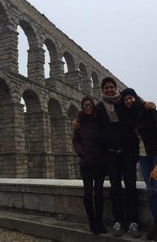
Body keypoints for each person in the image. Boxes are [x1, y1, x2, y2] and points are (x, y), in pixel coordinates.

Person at [121, 87, 157, 241]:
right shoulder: (129, 116)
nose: (128, 101)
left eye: (130, 97)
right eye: (125, 99)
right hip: (143, 157)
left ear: (135, 97)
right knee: (150, 190)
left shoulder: (148, 109)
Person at [95, 77, 141, 238]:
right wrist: (77, 122)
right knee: (115, 188)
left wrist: (149, 105)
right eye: (106, 87)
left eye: (111, 87)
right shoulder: (100, 107)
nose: (109, 89)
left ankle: (133, 222)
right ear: (102, 90)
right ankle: (118, 221)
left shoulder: (124, 103)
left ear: (115, 88)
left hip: (127, 152)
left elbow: (138, 110)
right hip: (111, 154)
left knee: (131, 187)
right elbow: (95, 126)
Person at [72, 96, 107, 234]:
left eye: (90, 105)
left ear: (93, 106)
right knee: (87, 194)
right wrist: (81, 152)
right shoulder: (78, 122)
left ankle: (99, 222)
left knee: (99, 193)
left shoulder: (99, 120)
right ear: (82, 107)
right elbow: (75, 141)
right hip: (86, 163)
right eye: (85, 105)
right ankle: (92, 222)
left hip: (99, 162)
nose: (88, 107)